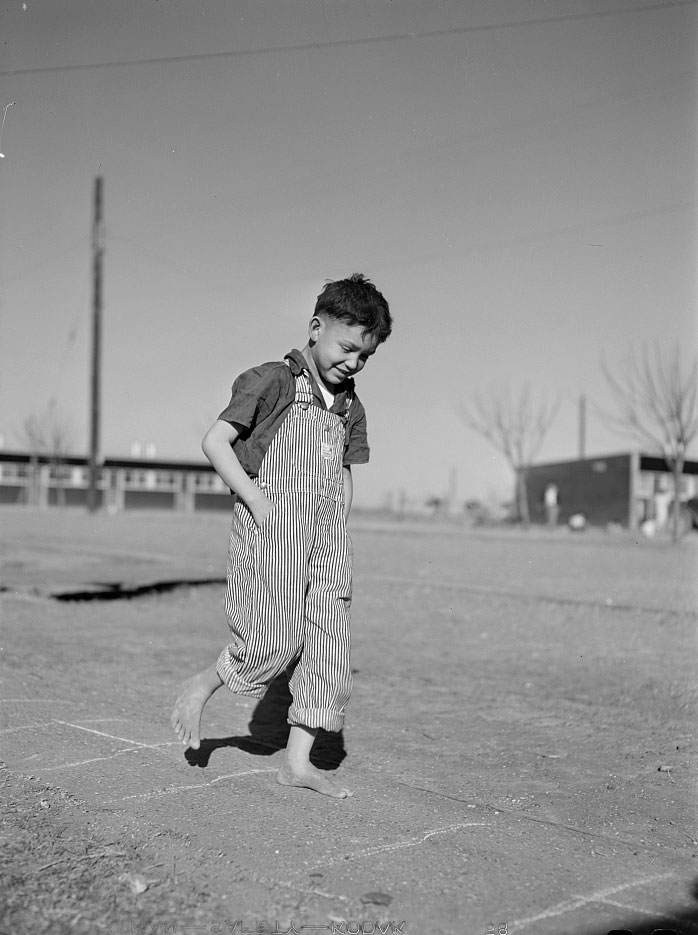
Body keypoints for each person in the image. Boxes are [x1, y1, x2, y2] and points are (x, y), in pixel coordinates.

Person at [172, 274, 392, 798]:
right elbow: (215, 441)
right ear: (317, 329)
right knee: (273, 637)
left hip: (329, 539)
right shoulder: (270, 381)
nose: (353, 363)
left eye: (365, 355)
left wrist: (339, 523)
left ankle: (297, 761)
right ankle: (203, 683)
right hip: (273, 529)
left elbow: (343, 472)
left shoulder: (349, 406)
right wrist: (256, 500)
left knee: (329, 645)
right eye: (346, 347)